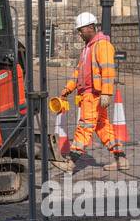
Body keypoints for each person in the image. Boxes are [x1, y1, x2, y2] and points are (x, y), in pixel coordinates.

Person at [55, 11, 128, 171]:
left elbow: (108, 70)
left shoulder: (102, 45)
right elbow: (78, 73)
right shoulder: (88, 49)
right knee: (102, 127)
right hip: (90, 94)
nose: (79, 34)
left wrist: (107, 93)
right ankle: (121, 159)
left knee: (85, 125)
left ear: (89, 27)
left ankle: (71, 162)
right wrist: (67, 89)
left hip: (94, 95)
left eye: (81, 30)